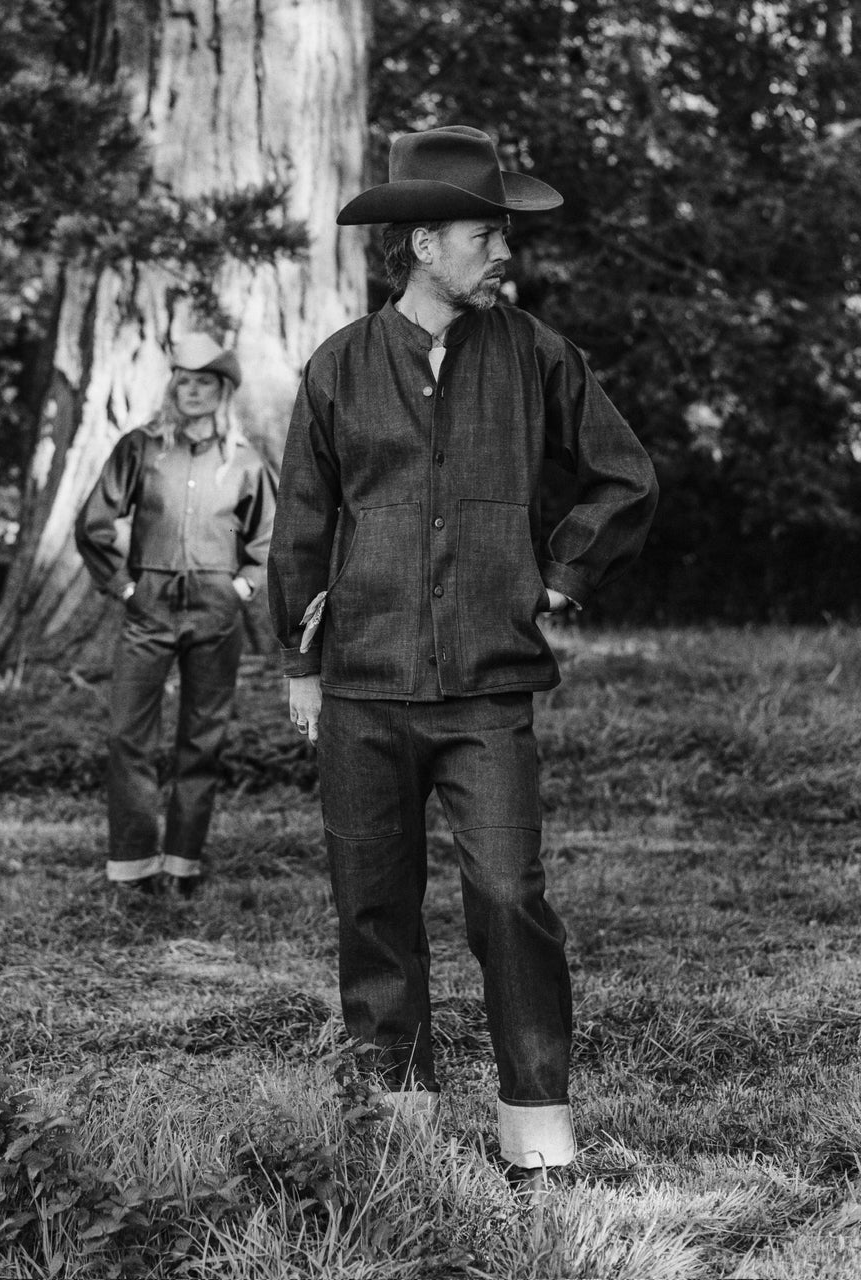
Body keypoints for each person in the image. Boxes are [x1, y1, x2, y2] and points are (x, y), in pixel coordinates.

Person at [268, 126, 658, 1179]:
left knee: (508, 896)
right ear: (423, 243)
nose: (504, 255)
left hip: (488, 688)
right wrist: (299, 665)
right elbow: (301, 523)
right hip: (363, 684)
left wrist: (562, 575)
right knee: (372, 904)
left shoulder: (536, 353)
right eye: (486, 237)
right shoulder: (340, 365)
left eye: (502, 236)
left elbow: (625, 475)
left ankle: (537, 1125)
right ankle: (396, 1120)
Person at [76, 334, 275, 897]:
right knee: (128, 736)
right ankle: (133, 865)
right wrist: (125, 585)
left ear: (223, 391)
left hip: (216, 608)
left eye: (204, 382)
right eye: (183, 381)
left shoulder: (244, 460)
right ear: (173, 388)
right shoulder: (140, 449)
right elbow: (94, 524)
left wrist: (243, 583)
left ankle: (183, 863)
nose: (192, 391)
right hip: (149, 606)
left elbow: (268, 534)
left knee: (202, 739)